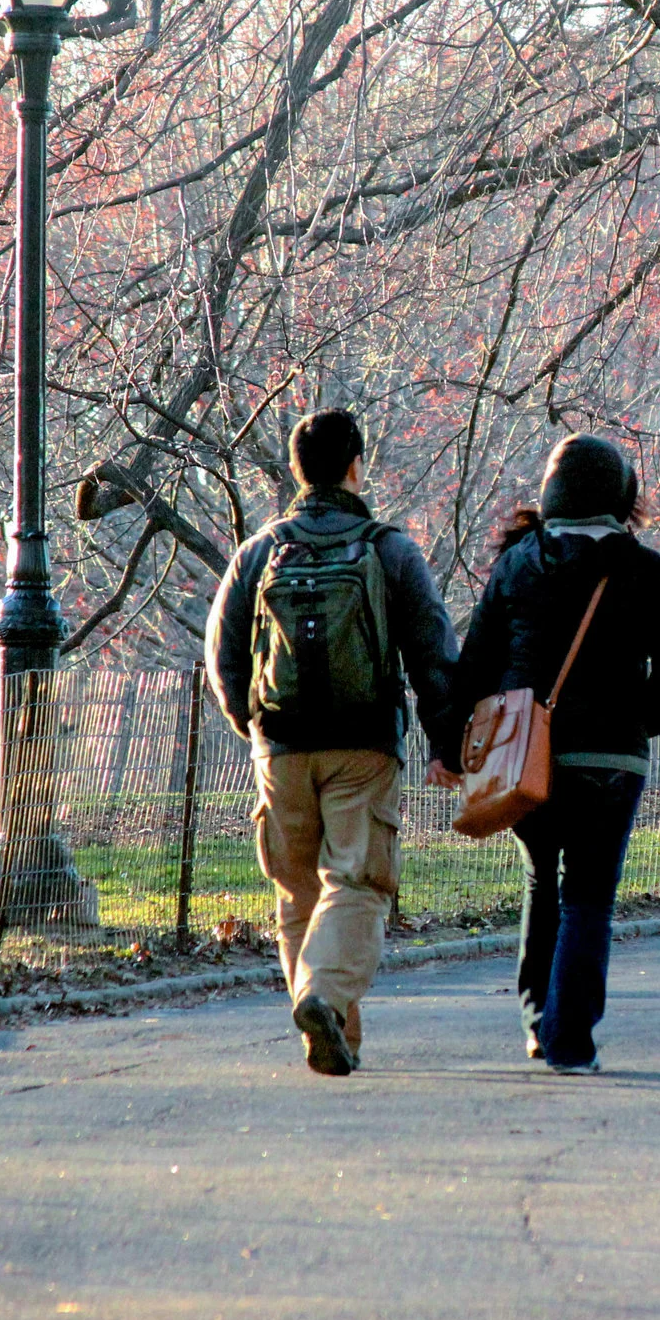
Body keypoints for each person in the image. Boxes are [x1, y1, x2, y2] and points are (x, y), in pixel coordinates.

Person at [430, 433, 660, 1074]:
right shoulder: (645, 568)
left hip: (528, 755)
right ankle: (570, 1040)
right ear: (621, 496)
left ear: (553, 493)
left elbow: (473, 665)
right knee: (589, 896)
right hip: (613, 759)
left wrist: (449, 745)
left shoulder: (520, 563)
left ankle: (536, 1022)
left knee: (539, 883)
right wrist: (648, 715)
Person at [205, 409, 457, 1076]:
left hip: (280, 746)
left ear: (297, 470)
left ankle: (333, 1030)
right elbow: (432, 653)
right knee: (359, 880)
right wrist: (446, 741)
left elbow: (222, 653)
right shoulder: (388, 548)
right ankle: (323, 997)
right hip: (362, 745)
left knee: (297, 893)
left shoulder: (260, 550)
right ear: (355, 466)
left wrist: (255, 728)